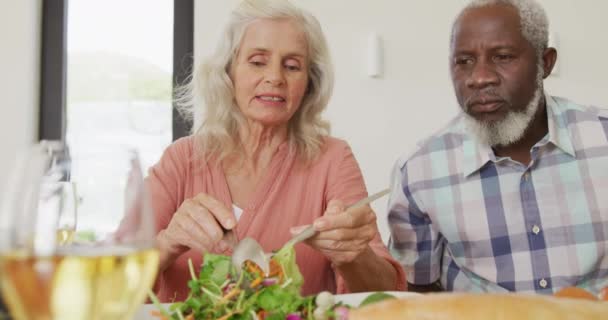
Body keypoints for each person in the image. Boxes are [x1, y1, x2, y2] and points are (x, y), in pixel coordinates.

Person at [148, 0, 406, 301]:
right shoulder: (181, 160)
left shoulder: (332, 159)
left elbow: (385, 296)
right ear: (228, 71)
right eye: (258, 61)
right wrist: (167, 242)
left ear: (309, 83)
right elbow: (113, 281)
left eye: (292, 66)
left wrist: (354, 254)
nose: (275, 78)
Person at [388, 0, 608, 294]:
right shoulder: (419, 171)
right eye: (463, 61)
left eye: (502, 57)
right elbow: (415, 294)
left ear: (546, 63)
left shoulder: (603, 137)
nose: (480, 78)